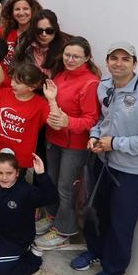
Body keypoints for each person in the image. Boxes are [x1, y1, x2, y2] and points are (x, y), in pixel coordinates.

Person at [72, 42, 138, 275]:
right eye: (114, 58)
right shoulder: (104, 85)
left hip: (132, 173)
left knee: (120, 223)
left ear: (135, 64)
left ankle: (114, 272)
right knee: (96, 213)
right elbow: (102, 120)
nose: (119, 63)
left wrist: (115, 143)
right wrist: (94, 136)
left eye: (126, 59)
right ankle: (95, 251)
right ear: (107, 61)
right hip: (103, 164)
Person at [36, 36, 102, 250]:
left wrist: (68, 121)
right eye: (67, 55)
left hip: (74, 145)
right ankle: (52, 215)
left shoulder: (90, 83)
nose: (70, 59)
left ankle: (64, 229)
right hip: (53, 140)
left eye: (76, 56)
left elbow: (92, 119)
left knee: (66, 188)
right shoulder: (61, 75)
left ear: (87, 58)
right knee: (52, 182)